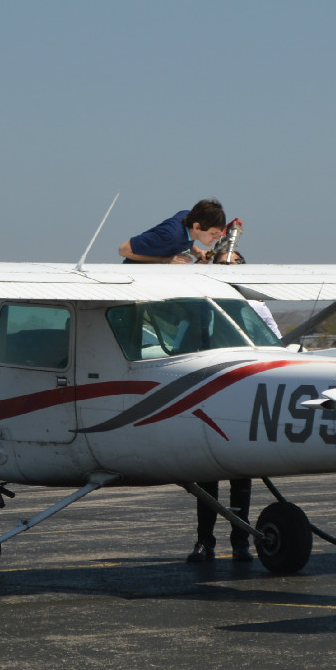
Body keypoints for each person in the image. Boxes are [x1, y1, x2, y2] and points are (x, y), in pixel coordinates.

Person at [121, 199, 254, 561]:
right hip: (206, 387)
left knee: (239, 472)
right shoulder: (194, 293)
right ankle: (207, 539)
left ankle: (240, 540)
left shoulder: (244, 307)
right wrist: (176, 259)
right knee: (208, 469)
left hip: (237, 385)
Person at [119, 199, 227, 264]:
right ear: (197, 227)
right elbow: (123, 250)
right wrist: (164, 260)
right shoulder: (170, 235)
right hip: (135, 276)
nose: (217, 239)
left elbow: (184, 238)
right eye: (213, 234)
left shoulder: (189, 217)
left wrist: (197, 251)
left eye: (218, 234)